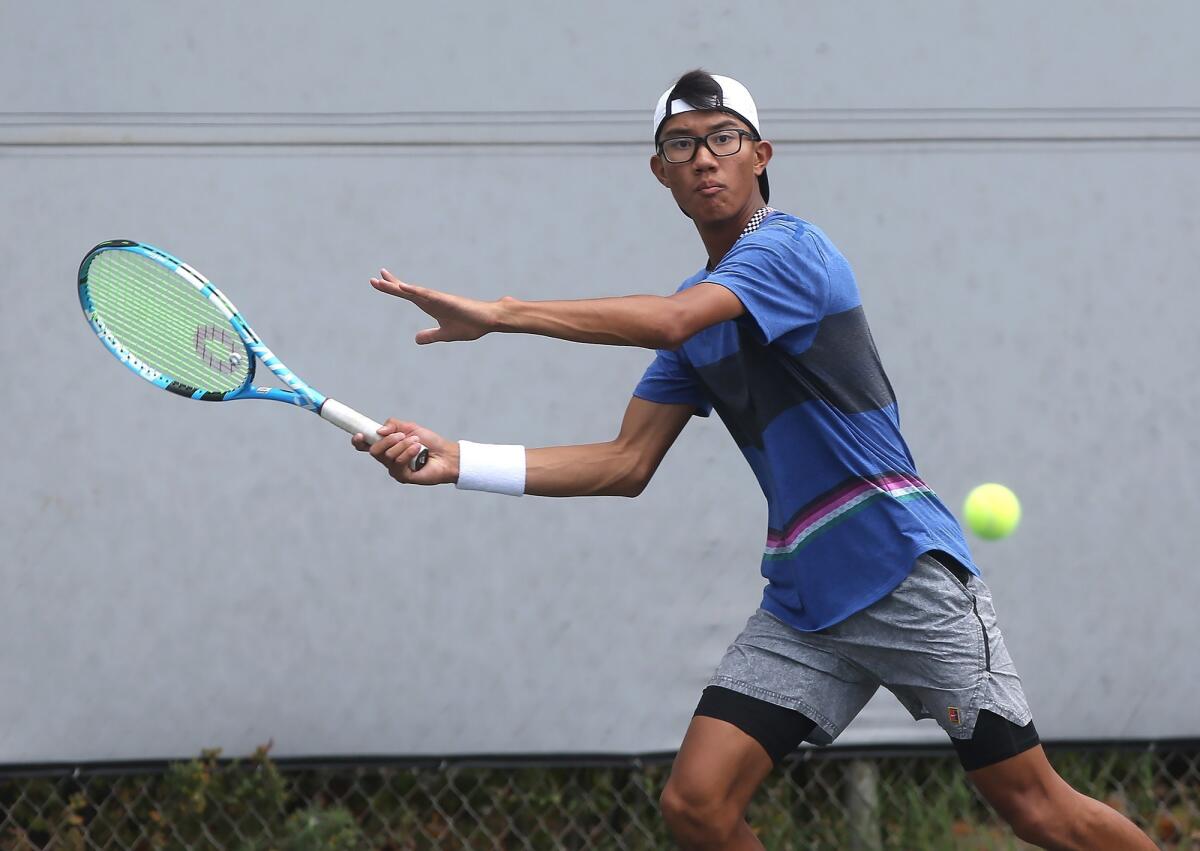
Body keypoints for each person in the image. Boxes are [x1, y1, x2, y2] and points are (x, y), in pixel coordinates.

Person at [351, 70, 1155, 851]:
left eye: (722, 138)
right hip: (805, 605)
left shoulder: (791, 251)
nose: (703, 157)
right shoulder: (694, 311)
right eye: (681, 144)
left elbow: (668, 321)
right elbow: (625, 462)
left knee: (1038, 810)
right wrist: (459, 459)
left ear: (760, 156)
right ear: (658, 172)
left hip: (901, 573)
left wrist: (499, 313)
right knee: (697, 804)